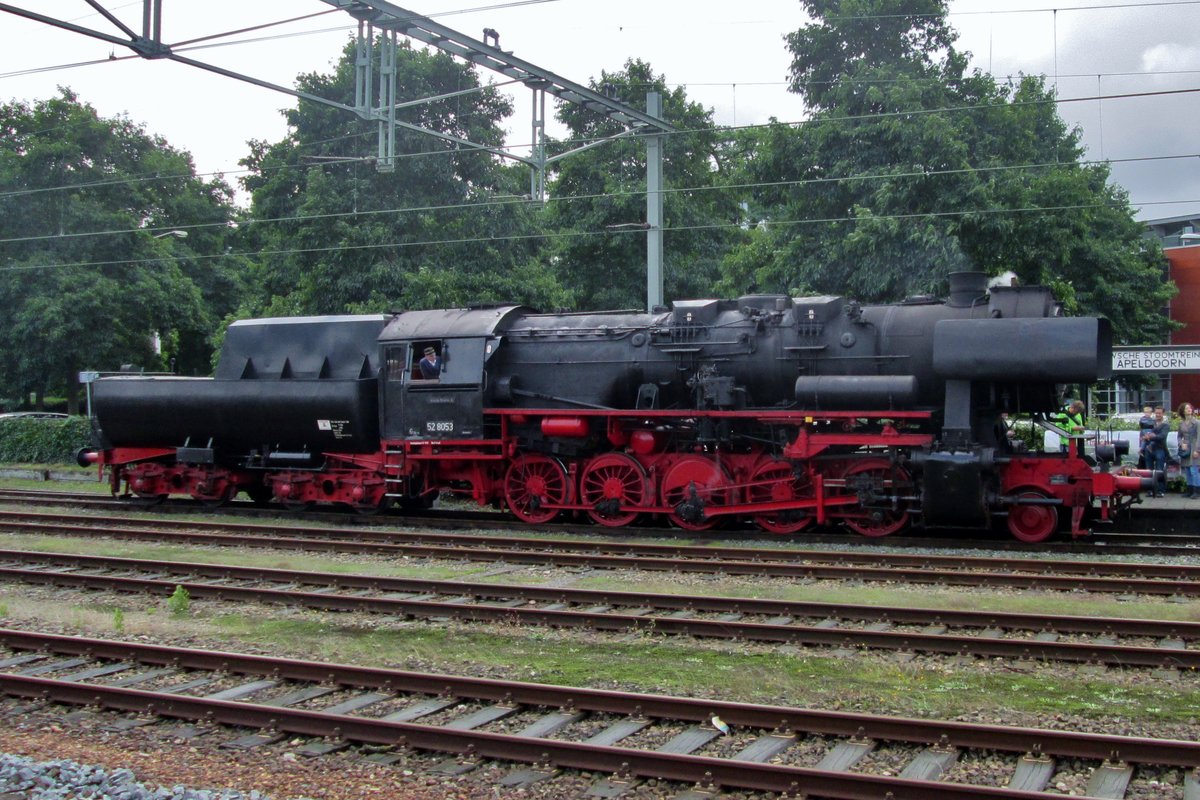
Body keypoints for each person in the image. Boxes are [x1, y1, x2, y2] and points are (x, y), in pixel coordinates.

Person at [1146, 405, 1170, 497]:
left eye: (1159, 413)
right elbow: (1145, 434)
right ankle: (1150, 490)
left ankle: (1161, 490)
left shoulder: (1166, 425)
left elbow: (1162, 436)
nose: (1158, 415)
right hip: (1149, 449)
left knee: (1160, 470)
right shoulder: (1151, 423)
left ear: (1163, 413)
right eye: (1156, 413)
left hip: (1160, 449)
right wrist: (1146, 437)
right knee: (1149, 470)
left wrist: (1151, 437)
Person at [1178, 402, 1199, 498]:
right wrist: (1181, 444)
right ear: (1183, 411)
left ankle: (1197, 491)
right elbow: (1179, 436)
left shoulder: (1197, 422)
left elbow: (1199, 436)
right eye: (1186, 408)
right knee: (1187, 470)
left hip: (1194, 446)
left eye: (1190, 408)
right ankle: (1189, 490)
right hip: (1186, 448)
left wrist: (1197, 450)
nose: (1189, 409)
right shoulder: (1181, 423)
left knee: (1194, 470)